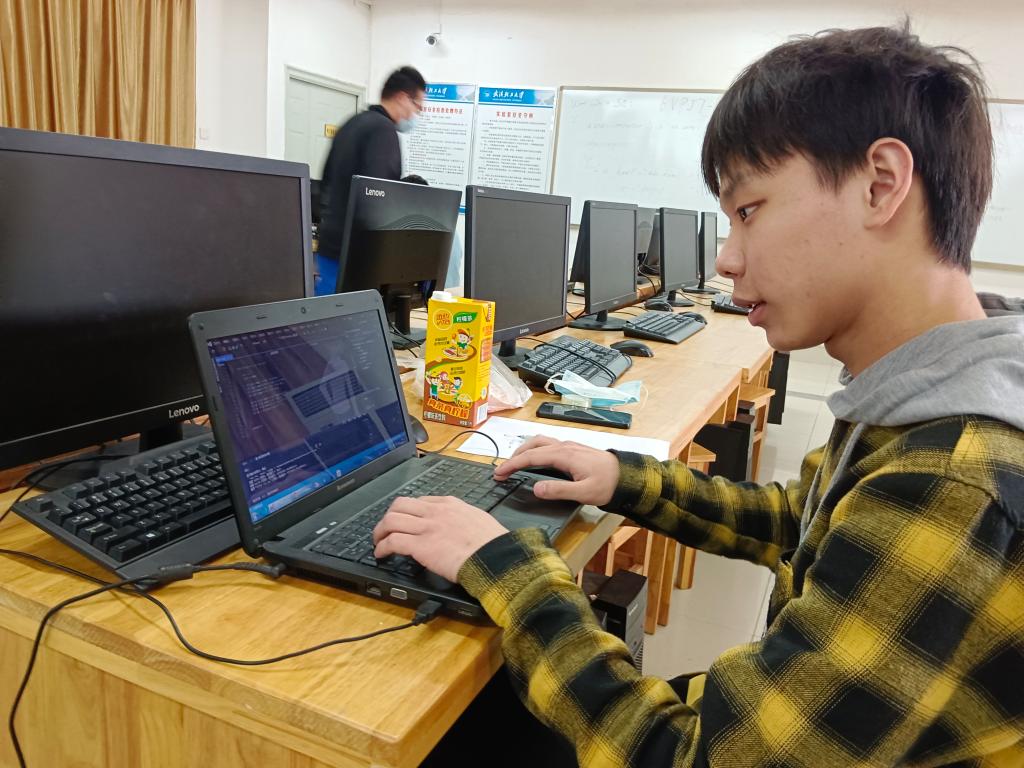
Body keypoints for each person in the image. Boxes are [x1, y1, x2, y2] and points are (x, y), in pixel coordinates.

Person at [375, 23, 1024, 767]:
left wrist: (509, 568)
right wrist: (624, 480)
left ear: (880, 184)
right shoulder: (933, 389)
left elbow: (689, 757)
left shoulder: (954, 477)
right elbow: (803, 524)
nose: (727, 258)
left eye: (749, 210)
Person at [315, 66, 426, 295]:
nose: (416, 114)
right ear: (403, 98)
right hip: (358, 258)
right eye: (417, 106)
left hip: (330, 247)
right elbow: (380, 200)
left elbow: (324, 183)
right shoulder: (383, 132)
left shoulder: (352, 123)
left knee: (324, 311)